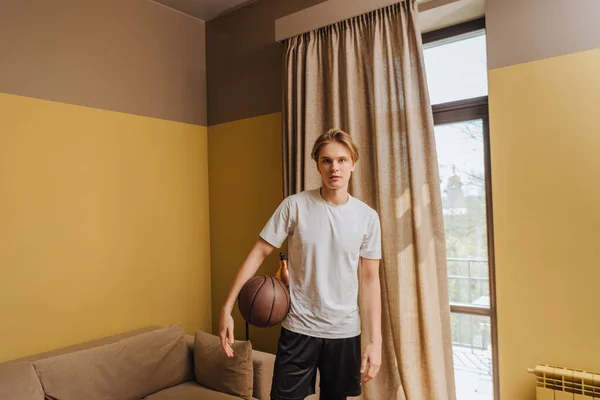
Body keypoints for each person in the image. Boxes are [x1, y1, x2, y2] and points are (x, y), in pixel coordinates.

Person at [219, 128, 382, 400]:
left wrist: (374, 342)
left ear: (353, 163)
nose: (334, 168)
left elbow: (370, 280)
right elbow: (259, 252)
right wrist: (227, 308)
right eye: (326, 160)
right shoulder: (294, 206)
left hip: (344, 333)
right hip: (298, 329)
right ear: (317, 164)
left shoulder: (367, 217)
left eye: (342, 160)